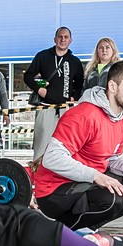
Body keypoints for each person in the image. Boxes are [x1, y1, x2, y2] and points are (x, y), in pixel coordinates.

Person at [32, 60, 123, 232]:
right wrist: (97, 176)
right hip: (54, 190)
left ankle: (86, 231)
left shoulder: (121, 119)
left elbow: (112, 158)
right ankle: (58, 235)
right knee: (111, 198)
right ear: (113, 86)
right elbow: (51, 158)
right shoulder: (84, 115)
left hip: (84, 182)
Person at [23, 27, 83, 159]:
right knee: (41, 146)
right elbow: (28, 76)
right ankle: (37, 176)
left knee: (65, 146)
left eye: (66, 37)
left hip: (65, 110)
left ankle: (62, 177)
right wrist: (39, 89)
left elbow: (80, 84)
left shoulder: (75, 62)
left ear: (70, 40)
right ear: (55, 39)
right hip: (45, 107)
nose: (63, 39)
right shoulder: (43, 56)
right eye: (60, 36)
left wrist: (74, 97)